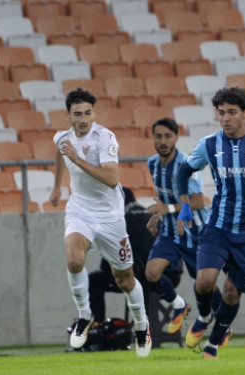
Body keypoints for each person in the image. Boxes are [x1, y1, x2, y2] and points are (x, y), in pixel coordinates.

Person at [176, 87, 245, 359]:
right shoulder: (209, 144)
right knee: (204, 281)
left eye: (232, 113)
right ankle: (203, 315)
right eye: (221, 112)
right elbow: (184, 171)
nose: (225, 118)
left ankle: (213, 345)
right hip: (218, 226)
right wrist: (184, 207)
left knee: (231, 293)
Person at [48, 87, 151, 357]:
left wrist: (78, 160)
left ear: (94, 113)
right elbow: (61, 152)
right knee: (74, 260)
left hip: (110, 218)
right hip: (80, 210)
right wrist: (57, 186)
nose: (83, 119)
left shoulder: (105, 138)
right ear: (68, 116)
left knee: (125, 280)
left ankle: (141, 325)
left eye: (87, 113)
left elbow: (111, 179)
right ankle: (85, 316)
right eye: (77, 114)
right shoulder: (62, 138)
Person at [145, 117, 217, 338]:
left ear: (176, 137)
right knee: (152, 272)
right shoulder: (152, 164)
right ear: (153, 138)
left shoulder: (187, 165)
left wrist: (167, 209)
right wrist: (157, 216)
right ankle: (179, 305)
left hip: (195, 232)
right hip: (169, 232)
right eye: (159, 136)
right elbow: (165, 195)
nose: (163, 141)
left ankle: (223, 320)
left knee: (205, 283)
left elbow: (198, 201)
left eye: (168, 136)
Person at [87, 187, 181, 324]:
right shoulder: (153, 217)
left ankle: (98, 324)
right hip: (172, 277)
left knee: (94, 280)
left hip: (141, 279)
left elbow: (108, 262)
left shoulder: (120, 221)